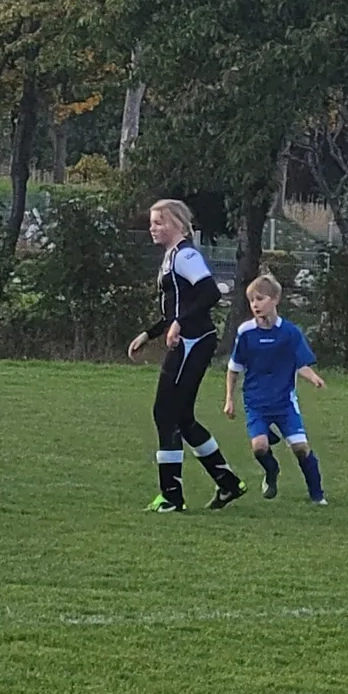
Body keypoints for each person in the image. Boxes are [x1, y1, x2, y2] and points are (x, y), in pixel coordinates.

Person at [129, 198, 245, 512]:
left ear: (178, 224)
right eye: (152, 222)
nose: (153, 228)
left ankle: (171, 497)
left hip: (193, 341)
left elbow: (210, 292)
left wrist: (179, 323)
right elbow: (175, 308)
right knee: (181, 417)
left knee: (165, 413)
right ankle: (228, 483)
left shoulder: (186, 255)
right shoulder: (171, 257)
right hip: (189, 340)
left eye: (159, 222)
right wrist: (149, 334)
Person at [222, 274, 327, 504]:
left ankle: (317, 494)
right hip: (256, 403)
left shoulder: (290, 332)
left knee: (300, 448)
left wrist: (313, 377)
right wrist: (229, 399)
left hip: (284, 403)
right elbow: (234, 368)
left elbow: (300, 363)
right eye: (252, 300)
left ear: (276, 299)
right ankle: (271, 471)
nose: (255, 305)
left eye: (260, 299)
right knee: (259, 447)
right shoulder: (245, 332)